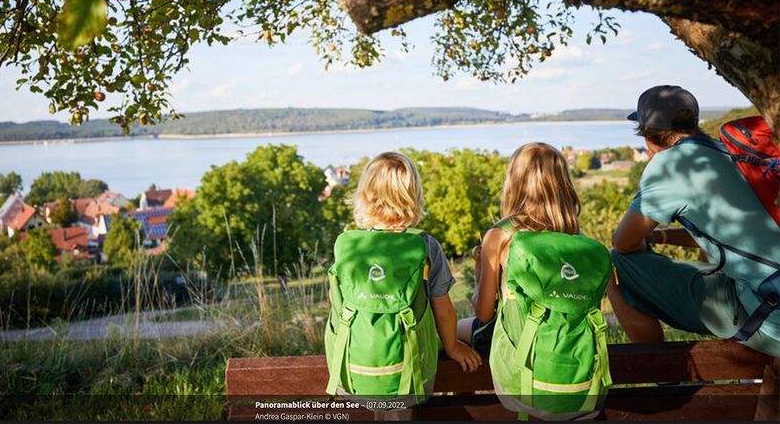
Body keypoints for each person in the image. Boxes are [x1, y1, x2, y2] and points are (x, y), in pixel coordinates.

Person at [609, 85, 779, 358]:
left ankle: (661, 378)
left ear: (648, 134)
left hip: (766, 317)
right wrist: (659, 237)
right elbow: (724, 232)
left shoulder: (670, 165)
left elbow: (624, 242)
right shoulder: (731, 153)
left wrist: (642, 242)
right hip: (769, 295)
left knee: (617, 264)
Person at [461, 142, 612, 420]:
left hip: (519, 383)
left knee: (448, 334)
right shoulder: (576, 237)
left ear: (514, 183)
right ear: (563, 184)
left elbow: (483, 313)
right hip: (579, 378)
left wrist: (481, 272)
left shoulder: (501, 235)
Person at [324, 152, 481, 408]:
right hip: (411, 383)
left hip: (352, 381)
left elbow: (335, 302)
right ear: (414, 197)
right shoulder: (425, 246)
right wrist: (452, 347)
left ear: (364, 196)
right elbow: (443, 312)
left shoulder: (349, 247)